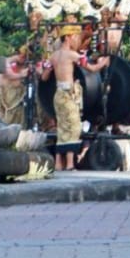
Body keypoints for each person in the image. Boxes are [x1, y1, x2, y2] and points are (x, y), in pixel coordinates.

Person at [41, 23, 85, 171]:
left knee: (62, 128)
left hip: (57, 95)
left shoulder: (53, 56)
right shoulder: (72, 55)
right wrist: (103, 63)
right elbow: (90, 67)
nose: (76, 40)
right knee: (74, 127)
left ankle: (59, 163)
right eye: (75, 37)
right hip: (67, 95)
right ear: (67, 37)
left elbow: (44, 77)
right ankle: (70, 163)